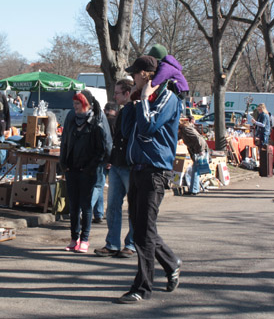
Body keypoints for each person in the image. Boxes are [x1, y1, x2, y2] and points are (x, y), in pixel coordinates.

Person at [118, 55, 182, 304]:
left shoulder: (167, 98)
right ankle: (171, 262)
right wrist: (132, 101)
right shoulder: (141, 99)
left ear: (145, 74)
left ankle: (142, 288)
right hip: (137, 168)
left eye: (135, 74)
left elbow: (148, 127)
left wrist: (144, 99)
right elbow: (125, 131)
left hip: (154, 171)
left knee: (143, 233)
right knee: (141, 228)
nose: (131, 78)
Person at [60, 90, 112, 254]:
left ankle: (85, 239)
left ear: (87, 104)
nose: (74, 106)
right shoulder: (70, 117)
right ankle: (74, 238)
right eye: (74, 103)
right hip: (72, 167)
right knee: (73, 206)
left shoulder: (97, 118)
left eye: (78, 103)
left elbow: (104, 145)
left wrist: (96, 165)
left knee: (86, 205)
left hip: (90, 169)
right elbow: (65, 141)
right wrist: (64, 163)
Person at [94, 80, 136, 258]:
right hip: (117, 164)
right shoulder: (122, 111)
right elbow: (116, 139)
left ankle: (131, 244)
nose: (114, 96)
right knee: (112, 207)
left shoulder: (136, 110)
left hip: (130, 165)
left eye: (117, 93)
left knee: (134, 207)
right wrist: (110, 159)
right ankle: (112, 243)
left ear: (127, 93)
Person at [178, 116, 209, 195]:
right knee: (196, 169)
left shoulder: (186, 129)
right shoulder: (184, 130)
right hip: (197, 149)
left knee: (195, 169)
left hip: (198, 149)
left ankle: (194, 190)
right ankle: (195, 189)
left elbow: (197, 138)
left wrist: (200, 150)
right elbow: (177, 137)